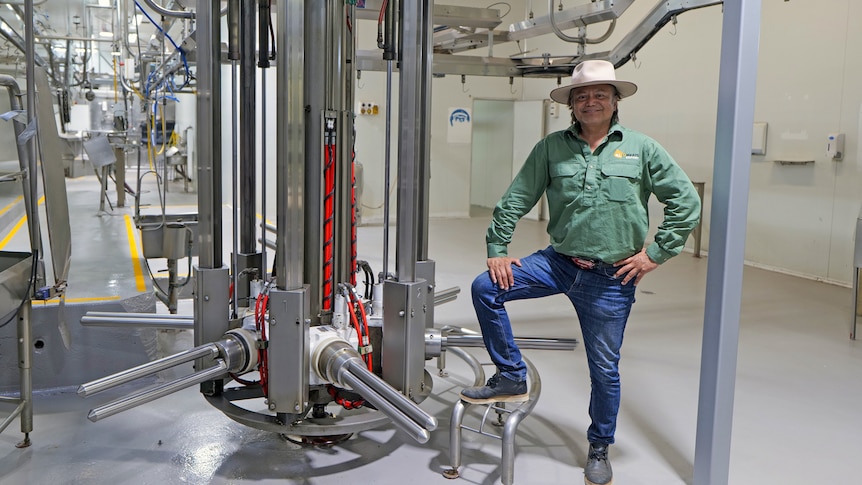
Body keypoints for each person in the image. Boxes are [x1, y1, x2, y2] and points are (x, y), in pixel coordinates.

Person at [459, 60, 702, 485]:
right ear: (571, 104)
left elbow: (686, 204)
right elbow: (517, 197)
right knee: (485, 288)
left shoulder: (642, 149)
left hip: (612, 278)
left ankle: (599, 445)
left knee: (604, 369)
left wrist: (655, 255)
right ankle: (511, 374)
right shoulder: (552, 148)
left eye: (600, 94)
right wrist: (498, 248)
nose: (591, 102)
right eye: (582, 96)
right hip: (557, 263)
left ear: (615, 101)